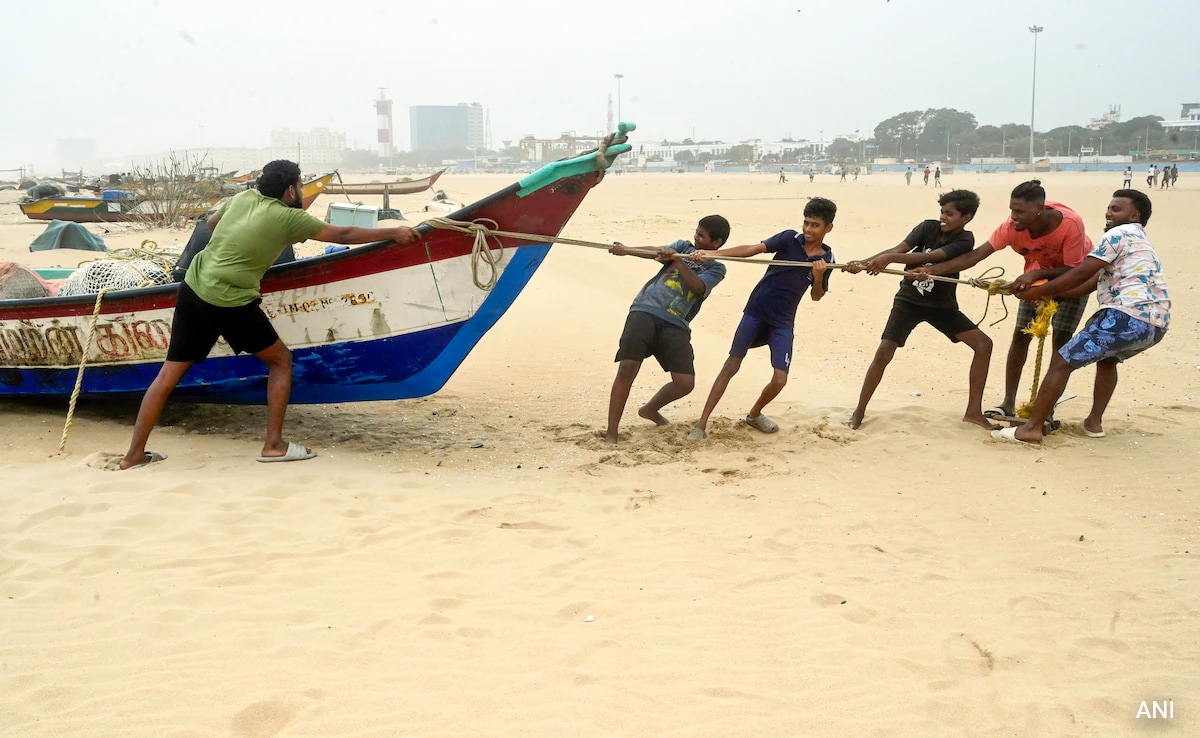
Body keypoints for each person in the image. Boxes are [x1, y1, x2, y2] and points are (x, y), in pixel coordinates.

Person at [118, 160, 420, 470]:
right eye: (300, 186)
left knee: (168, 375)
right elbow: (342, 234)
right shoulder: (289, 218)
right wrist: (393, 232)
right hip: (230, 299)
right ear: (290, 190)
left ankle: (133, 456)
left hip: (194, 288)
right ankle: (274, 445)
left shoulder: (242, 198)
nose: (301, 191)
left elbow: (210, 225)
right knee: (280, 361)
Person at [994, 190, 1169, 443]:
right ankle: (1093, 423)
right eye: (1109, 208)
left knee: (1061, 361)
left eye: (1116, 209)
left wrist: (1036, 290)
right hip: (1155, 325)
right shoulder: (1141, 243)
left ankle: (1031, 428)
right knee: (1108, 359)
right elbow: (1090, 283)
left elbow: (1079, 273)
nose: (1109, 213)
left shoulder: (1116, 235)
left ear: (1135, 215)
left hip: (1124, 316)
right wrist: (1053, 298)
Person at [910, 180, 1092, 419]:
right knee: (1021, 335)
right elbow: (974, 257)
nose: (1013, 216)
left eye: (1019, 212)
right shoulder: (1011, 227)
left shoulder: (1070, 225)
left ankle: (1046, 406)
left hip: (1074, 277)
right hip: (1034, 277)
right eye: (1011, 210)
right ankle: (1008, 402)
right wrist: (935, 270)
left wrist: (1036, 274)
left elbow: (1073, 269)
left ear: (1039, 208)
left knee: (1061, 338)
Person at [843, 190, 995, 430]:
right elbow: (900, 247)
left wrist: (892, 259)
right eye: (942, 212)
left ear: (966, 217)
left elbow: (936, 256)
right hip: (909, 302)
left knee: (983, 345)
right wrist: (863, 263)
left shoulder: (966, 240)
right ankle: (859, 412)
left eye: (950, 213)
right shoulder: (927, 227)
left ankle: (973, 412)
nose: (943, 217)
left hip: (942, 307)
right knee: (884, 352)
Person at [687, 198, 837, 440]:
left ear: (828, 228)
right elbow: (752, 250)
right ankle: (701, 424)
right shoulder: (789, 238)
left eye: (815, 225)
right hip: (756, 311)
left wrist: (818, 276)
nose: (808, 229)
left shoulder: (828, 260)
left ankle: (754, 414)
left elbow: (817, 296)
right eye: (806, 223)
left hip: (782, 321)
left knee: (780, 379)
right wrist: (712, 254)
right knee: (732, 364)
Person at [605, 216, 730, 444]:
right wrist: (627, 250)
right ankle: (611, 433)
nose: (696, 237)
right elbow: (656, 252)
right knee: (628, 368)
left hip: (676, 322)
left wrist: (678, 262)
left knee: (685, 382)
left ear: (717, 243)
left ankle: (650, 410)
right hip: (645, 309)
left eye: (702, 236)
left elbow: (698, 286)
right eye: (696, 232)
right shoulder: (683, 247)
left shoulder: (716, 267)